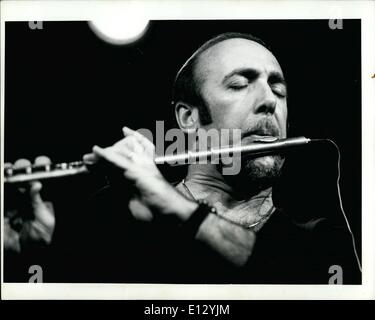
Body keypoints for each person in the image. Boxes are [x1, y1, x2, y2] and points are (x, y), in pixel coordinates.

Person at [4, 32, 361, 284]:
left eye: (278, 88)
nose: (270, 100)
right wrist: (39, 254)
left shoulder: (320, 238)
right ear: (188, 119)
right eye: (240, 84)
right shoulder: (114, 217)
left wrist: (168, 200)